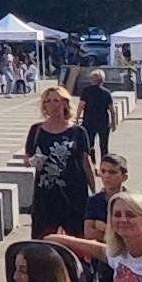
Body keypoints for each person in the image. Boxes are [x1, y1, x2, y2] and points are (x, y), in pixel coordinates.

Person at [24, 87, 94, 241]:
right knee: (42, 240)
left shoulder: (78, 132)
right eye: (48, 101)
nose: (52, 105)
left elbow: (86, 162)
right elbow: (27, 159)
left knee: (78, 240)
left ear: (64, 103)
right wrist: (34, 162)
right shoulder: (36, 130)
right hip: (46, 196)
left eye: (56, 100)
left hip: (74, 195)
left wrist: (94, 193)